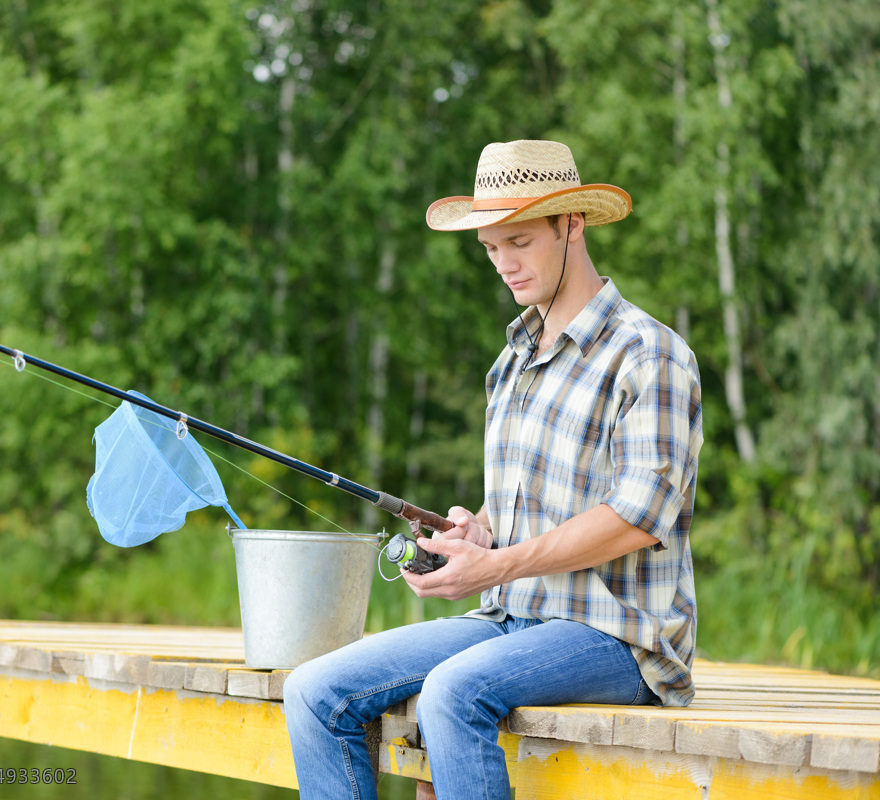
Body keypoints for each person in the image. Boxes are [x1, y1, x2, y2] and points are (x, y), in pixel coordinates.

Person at [283, 139, 703, 800]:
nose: (504, 264)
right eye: (490, 248)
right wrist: (477, 533)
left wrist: (500, 564)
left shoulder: (650, 353)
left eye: (520, 242)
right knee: (312, 689)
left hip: (617, 637)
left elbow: (638, 518)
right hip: (510, 619)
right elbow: (517, 515)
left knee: (451, 693)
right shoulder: (509, 364)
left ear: (573, 224)